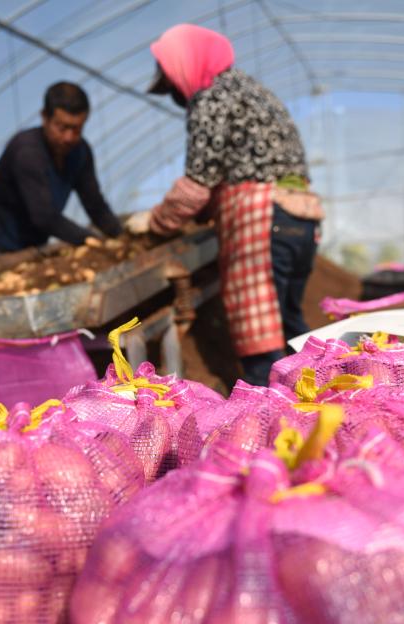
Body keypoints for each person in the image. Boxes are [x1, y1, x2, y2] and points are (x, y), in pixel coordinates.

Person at [130, 24, 324, 386]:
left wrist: (157, 223)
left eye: (171, 79)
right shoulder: (252, 91)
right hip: (302, 217)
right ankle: (325, 401)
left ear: (185, 65)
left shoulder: (211, 98)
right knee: (290, 324)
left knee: (261, 333)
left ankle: (275, 419)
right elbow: (230, 167)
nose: (173, 89)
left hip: (263, 219)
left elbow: (199, 181)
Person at [0, 82, 122, 259]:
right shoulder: (26, 152)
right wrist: (92, 240)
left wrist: (120, 235)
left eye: (77, 129)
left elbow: (95, 204)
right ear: (45, 117)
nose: (69, 137)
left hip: (34, 249)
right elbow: (44, 217)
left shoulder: (80, 152)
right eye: (62, 127)